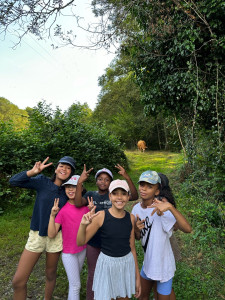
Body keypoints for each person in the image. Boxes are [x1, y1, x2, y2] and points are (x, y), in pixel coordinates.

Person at [9, 156, 76, 300]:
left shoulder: (70, 191)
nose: (64, 169)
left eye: (68, 167)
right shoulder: (42, 181)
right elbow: (13, 181)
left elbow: (82, 201)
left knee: (50, 275)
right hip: (37, 235)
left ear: (71, 173)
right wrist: (32, 172)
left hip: (56, 237)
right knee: (18, 282)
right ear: (56, 168)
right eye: (62, 165)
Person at [74, 164, 139, 300]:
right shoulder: (101, 216)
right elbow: (80, 241)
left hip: (125, 264)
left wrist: (137, 278)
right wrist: (82, 224)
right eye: (115, 194)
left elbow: (132, 248)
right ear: (110, 196)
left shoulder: (131, 218)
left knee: (123, 296)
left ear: (128, 197)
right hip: (106, 263)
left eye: (123, 194)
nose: (119, 198)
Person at [131, 170, 192, 300]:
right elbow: (138, 237)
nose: (144, 189)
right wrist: (136, 229)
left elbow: (187, 229)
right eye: (142, 184)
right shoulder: (136, 209)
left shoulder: (162, 210)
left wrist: (170, 207)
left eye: (149, 186)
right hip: (148, 264)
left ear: (157, 191)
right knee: (141, 296)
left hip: (164, 268)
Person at [48, 175, 89, 300]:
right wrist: (52, 215)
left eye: (74, 187)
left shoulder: (86, 207)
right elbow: (51, 234)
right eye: (68, 187)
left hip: (82, 249)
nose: (71, 190)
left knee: (75, 281)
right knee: (75, 285)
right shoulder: (63, 210)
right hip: (68, 253)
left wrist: (92, 212)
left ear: (81, 189)